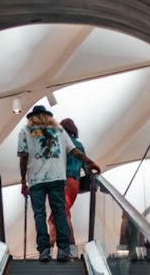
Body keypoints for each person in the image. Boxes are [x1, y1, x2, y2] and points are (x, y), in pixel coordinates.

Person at [18, 106, 100, 262]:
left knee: (40, 215)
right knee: (60, 213)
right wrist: (91, 163)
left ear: (32, 117)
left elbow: (23, 156)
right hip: (57, 178)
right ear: (49, 117)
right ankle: (64, 249)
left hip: (36, 180)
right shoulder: (59, 131)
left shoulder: (25, 131)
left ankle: (44, 251)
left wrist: (23, 180)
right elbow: (74, 151)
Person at [53, 117, 88, 258]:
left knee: (63, 213)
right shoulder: (79, 145)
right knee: (54, 217)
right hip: (75, 182)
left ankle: (70, 248)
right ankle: (57, 247)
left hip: (62, 182)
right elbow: (86, 166)